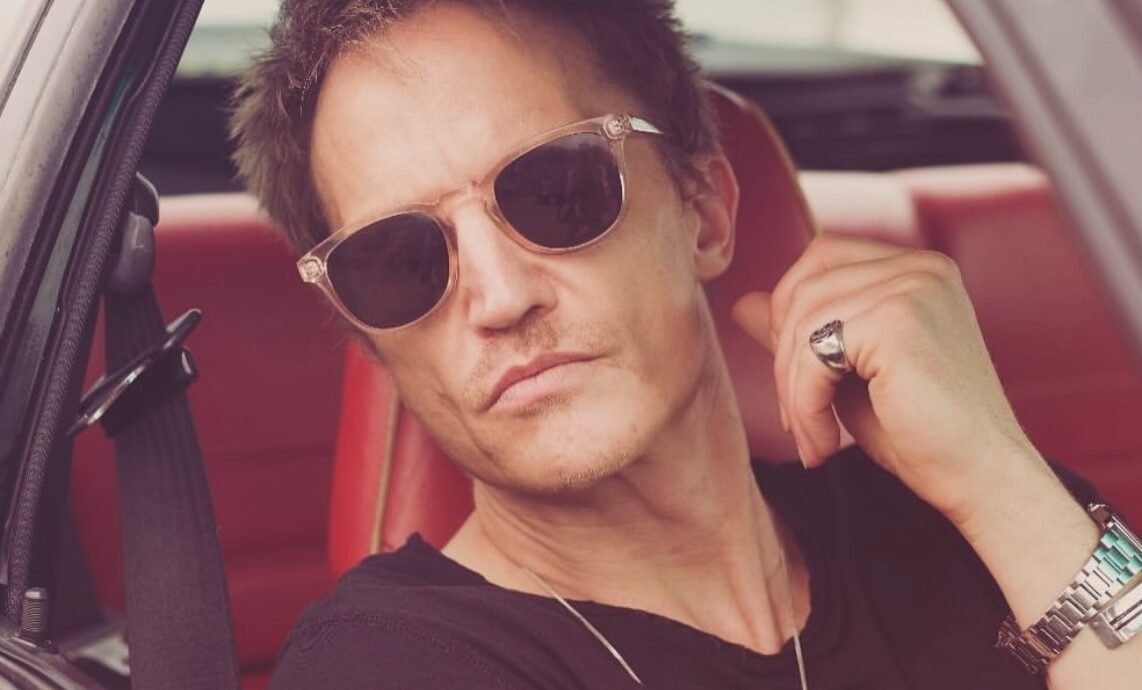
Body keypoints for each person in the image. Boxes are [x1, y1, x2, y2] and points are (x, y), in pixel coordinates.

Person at [229, 1, 1142, 688]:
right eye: (397, 261)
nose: (500, 298)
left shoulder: (978, 518)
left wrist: (1000, 477)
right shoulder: (388, 666)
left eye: (555, 191)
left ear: (703, 213)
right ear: (372, 340)